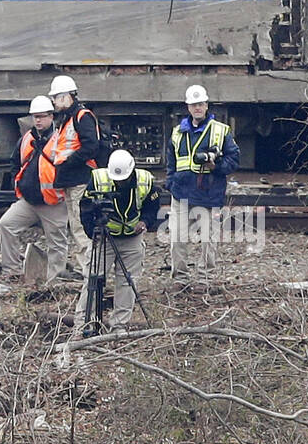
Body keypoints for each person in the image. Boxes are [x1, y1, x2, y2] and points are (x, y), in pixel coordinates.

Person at [77, 149, 160, 333]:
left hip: (132, 238)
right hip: (104, 238)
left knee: (127, 282)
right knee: (93, 280)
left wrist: (145, 221)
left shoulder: (145, 181)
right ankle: (83, 323)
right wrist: (93, 232)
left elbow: (152, 205)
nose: (119, 182)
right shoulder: (98, 179)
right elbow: (85, 209)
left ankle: (119, 325)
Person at [165, 84, 240, 280]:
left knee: (209, 239)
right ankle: (180, 278)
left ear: (206, 105)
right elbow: (171, 161)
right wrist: (171, 183)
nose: (197, 108)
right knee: (177, 238)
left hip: (208, 191)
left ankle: (206, 278)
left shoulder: (220, 131)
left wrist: (216, 166)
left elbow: (233, 160)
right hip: (181, 192)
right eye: (193, 104)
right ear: (188, 107)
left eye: (200, 104)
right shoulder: (177, 132)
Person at [0, 96, 70, 280]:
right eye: (34, 116)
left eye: (41, 116)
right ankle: (11, 271)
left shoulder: (59, 139)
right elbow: (15, 163)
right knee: (6, 225)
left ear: (51, 116)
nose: (37, 120)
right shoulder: (26, 139)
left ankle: (55, 280)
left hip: (53, 202)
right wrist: (18, 183)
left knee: (57, 242)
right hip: (29, 201)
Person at [49, 74, 102, 280]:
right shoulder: (67, 119)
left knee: (81, 228)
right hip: (71, 180)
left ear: (66, 96)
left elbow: (91, 146)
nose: (54, 101)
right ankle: (88, 270)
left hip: (80, 180)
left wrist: (69, 162)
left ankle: (92, 273)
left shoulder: (81, 116)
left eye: (56, 97)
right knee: (77, 228)